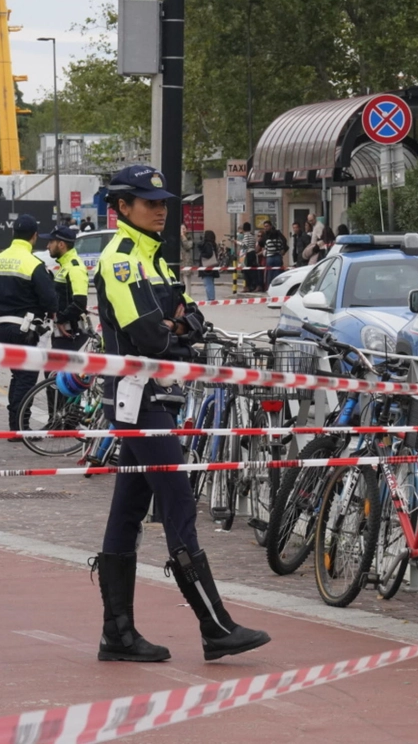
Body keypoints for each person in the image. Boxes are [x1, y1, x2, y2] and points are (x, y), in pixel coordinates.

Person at [92, 165, 269, 663]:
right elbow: (153, 336)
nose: (160, 209)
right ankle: (215, 626)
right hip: (138, 399)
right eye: (149, 202)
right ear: (122, 207)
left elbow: (193, 319)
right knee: (179, 502)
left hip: (157, 395)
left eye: (163, 202)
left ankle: (117, 635)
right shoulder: (122, 259)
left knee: (127, 511)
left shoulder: (157, 259)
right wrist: (177, 331)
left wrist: (179, 327)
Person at [0, 215, 59, 434]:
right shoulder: (34, 264)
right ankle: (20, 427)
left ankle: (15, 425)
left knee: (17, 376)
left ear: (12, 234)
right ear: (34, 236)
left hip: (3, 328)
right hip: (26, 330)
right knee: (26, 378)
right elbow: (50, 300)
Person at [45, 226, 91, 350]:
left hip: (70, 333)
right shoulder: (65, 265)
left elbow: (80, 302)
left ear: (61, 244)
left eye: (50, 242)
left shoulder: (75, 267)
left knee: (54, 369)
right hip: (63, 333)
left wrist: (60, 320)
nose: (47, 246)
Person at [260, 221, 287, 290]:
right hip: (278, 256)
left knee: (270, 273)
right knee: (278, 273)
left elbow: (261, 243)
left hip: (270, 257)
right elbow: (284, 240)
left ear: (270, 226)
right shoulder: (278, 233)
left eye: (266, 226)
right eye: (265, 226)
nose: (265, 228)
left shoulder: (266, 235)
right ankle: (278, 288)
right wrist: (283, 249)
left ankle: (270, 288)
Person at [196, 230, 219, 302]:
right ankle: (210, 297)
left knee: (208, 283)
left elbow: (209, 254)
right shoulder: (213, 244)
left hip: (207, 267)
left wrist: (202, 255)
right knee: (210, 282)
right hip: (212, 266)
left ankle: (211, 298)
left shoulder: (207, 244)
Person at [239, 222, 262, 293]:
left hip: (247, 254)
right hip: (252, 253)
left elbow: (245, 245)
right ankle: (253, 286)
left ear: (244, 228)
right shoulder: (252, 235)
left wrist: (237, 242)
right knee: (252, 270)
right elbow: (254, 244)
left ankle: (249, 286)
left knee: (247, 271)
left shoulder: (246, 236)